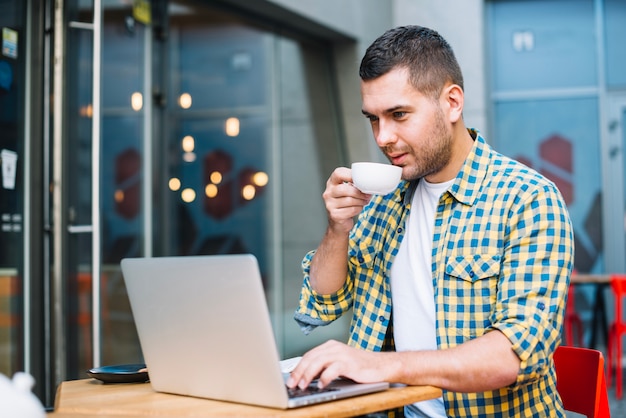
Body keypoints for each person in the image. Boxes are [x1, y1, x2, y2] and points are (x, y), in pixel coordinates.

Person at [286, 25, 574, 417]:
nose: (383, 137)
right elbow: (323, 301)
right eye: (373, 118)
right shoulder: (382, 201)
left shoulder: (527, 200)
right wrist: (338, 228)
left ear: (452, 102)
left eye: (399, 114)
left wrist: (380, 365)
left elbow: (514, 354)